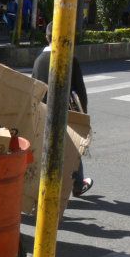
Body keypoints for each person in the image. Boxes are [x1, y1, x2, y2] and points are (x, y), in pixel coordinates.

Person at [32, 21, 93, 198]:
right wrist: (84, 116)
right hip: (64, 112)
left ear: (47, 37)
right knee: (73, 147)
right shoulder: (69, 59)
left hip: (42, 112)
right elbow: (80, 91)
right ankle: (77, 184)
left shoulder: (39, 60)